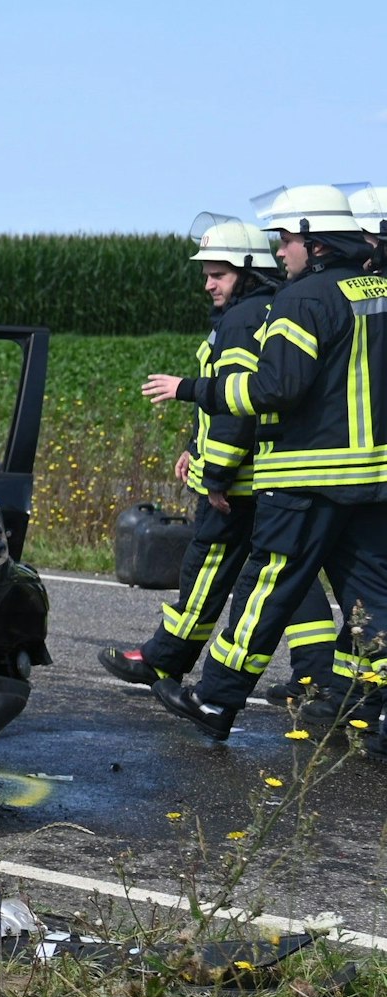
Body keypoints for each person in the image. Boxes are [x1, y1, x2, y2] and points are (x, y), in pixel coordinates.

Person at [144, 186, 387, 742]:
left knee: (266, 587)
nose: (280, 251)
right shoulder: (380, 290)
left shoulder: (304, 300)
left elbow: (277, 388)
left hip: (308, 478)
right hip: (374, 480)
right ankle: (366, 711)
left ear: (315, 240)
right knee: (375, 599)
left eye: (286, 238)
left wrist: (193, 389)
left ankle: (215, 700)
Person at [101, 217, 336, 697]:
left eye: (219, 274)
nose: (208, 284)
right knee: (288, 576)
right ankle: (314, 671)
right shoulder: (269, 309)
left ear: (249, 272)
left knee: (205, 566)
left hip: (237, 482)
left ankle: (163, 659)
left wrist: (217, 475)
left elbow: (237, 407)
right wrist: (194, 448)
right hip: (267, 475)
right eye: (207, 274)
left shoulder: (242, 319)